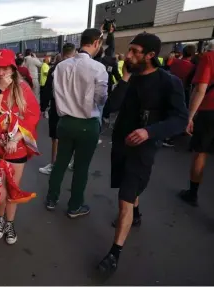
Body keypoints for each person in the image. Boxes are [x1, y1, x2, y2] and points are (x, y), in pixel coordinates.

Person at [97, 33, 188, 275]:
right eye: (130, 50)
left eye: (135, 51)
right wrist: (125, 77)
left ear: (150, 55)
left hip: (143, 149)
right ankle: (136, 215)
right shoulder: (130, 77)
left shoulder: (169, 82)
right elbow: (111, 107)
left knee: (125, 197)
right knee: (128, 188)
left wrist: (149, 132)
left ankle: (114, 253)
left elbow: (180, 120)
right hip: (120, 145)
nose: (128, 56)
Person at [45, 28, 108, 217]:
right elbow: (101, 97)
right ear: (96, 42)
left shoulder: (61, 66)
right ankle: (74, 206)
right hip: (87, 124)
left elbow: (56, 93)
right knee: (81, 167)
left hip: (65, 122)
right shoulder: (98, 68)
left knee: (60, 163)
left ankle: (51, 198)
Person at [0, 49, 40, 245]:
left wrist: (15, 138)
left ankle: (10, 222)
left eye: (5, 68)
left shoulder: (23, 89)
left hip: (18, 149)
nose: (1, 73)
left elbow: (32, 117)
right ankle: (0, 218)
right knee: (1, 189)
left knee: (13, 189)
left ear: (13, 69)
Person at [179, 40, 214, 206]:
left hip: (209, 112)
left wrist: (190, 116)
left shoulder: (209, 58)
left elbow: (200, 89)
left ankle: (192, 194)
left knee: (200, 152)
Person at [39, 43, 76, 175]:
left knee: (56, 137)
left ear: (61, 53)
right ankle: (73, 161)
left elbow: (47, 90)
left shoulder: (55, 69)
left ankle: (54, 164)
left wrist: (43, 108)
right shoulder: (79, 68)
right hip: (74, 107)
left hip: (58, 105)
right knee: (72, 135)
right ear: (74, 52)